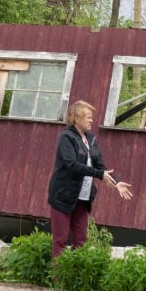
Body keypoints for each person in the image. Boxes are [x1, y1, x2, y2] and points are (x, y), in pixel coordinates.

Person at [47, 100, 133, 258]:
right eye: (88, 117)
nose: (91, 120)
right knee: (60, 239)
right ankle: (58, 279)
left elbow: (100, 166)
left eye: (91, 117)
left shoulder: (91, 139)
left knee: (80, 240)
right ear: (76, 118)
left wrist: (116, 181)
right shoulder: (67, 137)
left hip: (83, 197)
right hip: (63, 195)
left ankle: (75, 276)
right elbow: (72, 164)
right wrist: (99, 174)